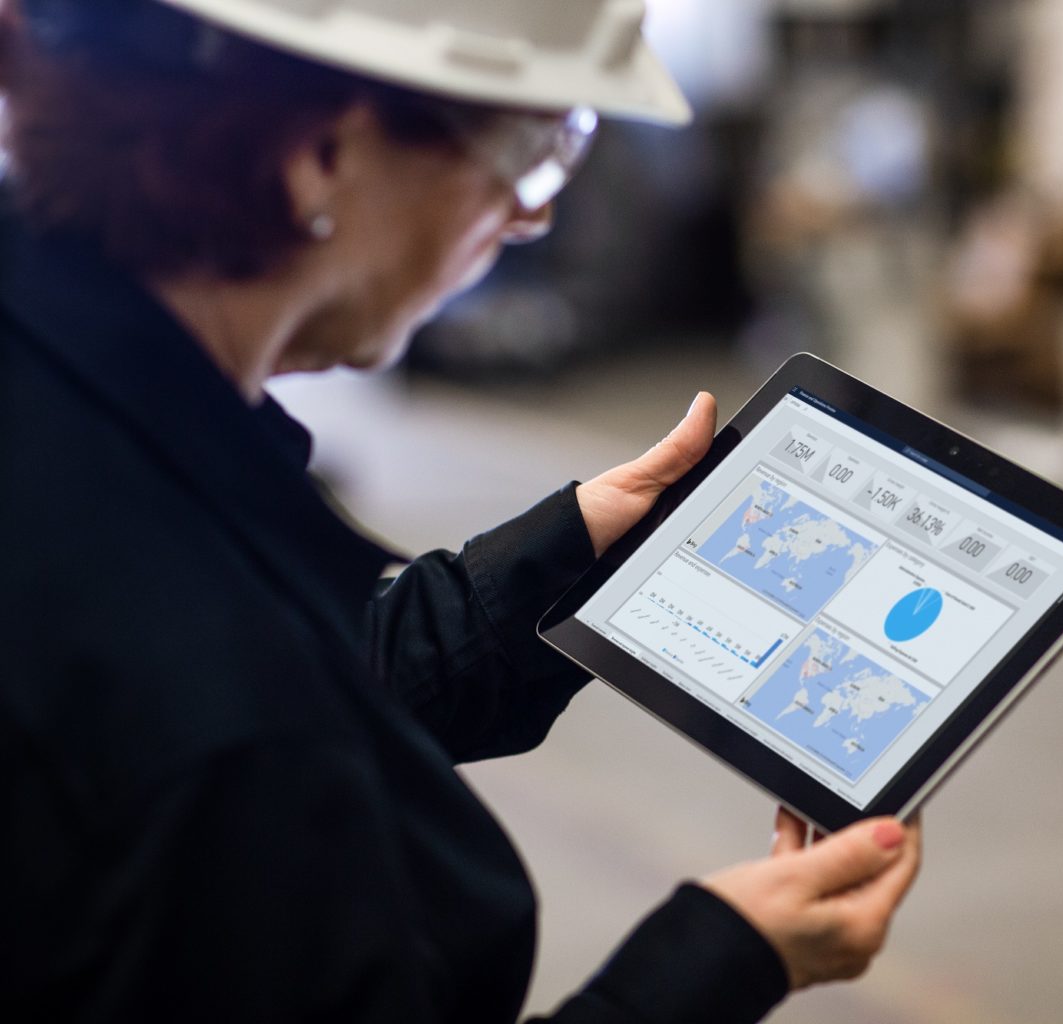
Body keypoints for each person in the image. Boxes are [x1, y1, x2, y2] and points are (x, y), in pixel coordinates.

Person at [0, 0, 922, 1020]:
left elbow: (296, 672)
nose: (531, 218)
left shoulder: (87, 422)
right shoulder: (218, 722)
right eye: (529, 152)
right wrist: (721, 960)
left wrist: (566, 556)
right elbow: (224, 718)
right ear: (322, 157)